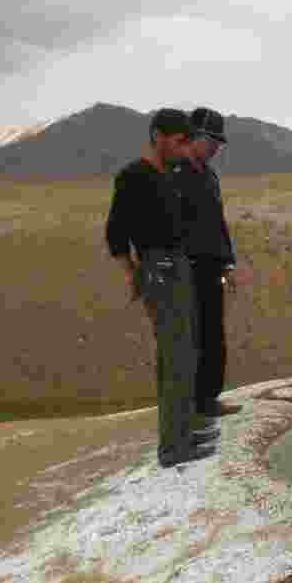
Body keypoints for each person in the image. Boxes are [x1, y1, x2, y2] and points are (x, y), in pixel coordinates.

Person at [105, 108, 219, 469]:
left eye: (188, 141)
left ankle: (185, 430)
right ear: (159, 136)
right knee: (173, 357)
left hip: (179, 265)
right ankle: (173, 448)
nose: (184, 147)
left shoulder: (168, 173)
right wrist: (133, 274)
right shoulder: (134, 175)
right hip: (158, 269)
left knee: (186, 353)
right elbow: (116, 232)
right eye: (180, 140)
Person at [171, 107, 244, 420]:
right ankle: (191, 406)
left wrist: (227, 261)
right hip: (188, 269)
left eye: (219, 142)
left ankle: (208, 400)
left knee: (213, 336)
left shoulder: (208, 174)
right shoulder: (176, 174)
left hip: (212, 267)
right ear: (195, 136)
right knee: (194, 338)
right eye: (212, 140)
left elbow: (216, 222)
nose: (216, 147)